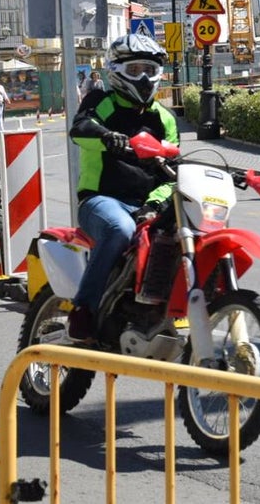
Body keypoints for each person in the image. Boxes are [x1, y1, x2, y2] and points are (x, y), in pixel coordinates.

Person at [65, 33, 179, 341]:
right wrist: (106, 136)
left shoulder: (165, 118)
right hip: (101, 200)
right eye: (133, 70)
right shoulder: (101, 102)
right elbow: (79, 128)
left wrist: (155, 203)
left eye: (149, 69)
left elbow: (172, 172)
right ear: (115, 71)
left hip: (146, 205)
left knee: (189, 231)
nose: (143, 77)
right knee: (119, 229)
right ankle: (83, 310)